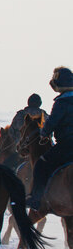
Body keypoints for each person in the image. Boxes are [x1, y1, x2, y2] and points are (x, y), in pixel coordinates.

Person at [26, 67, 73, 210]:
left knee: (41, 164)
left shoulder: (61, 102)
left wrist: (44, 133)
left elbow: (52, 122)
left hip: (66, 146)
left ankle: (36, 199)